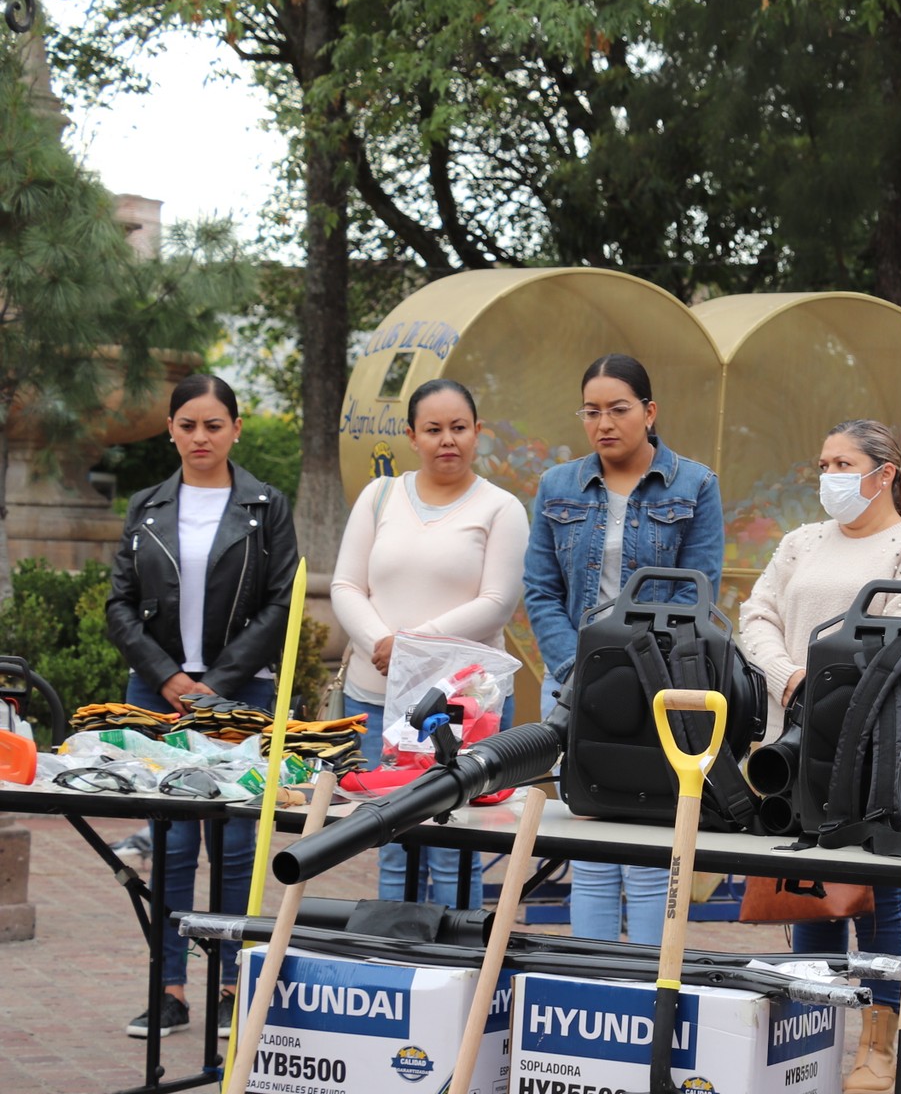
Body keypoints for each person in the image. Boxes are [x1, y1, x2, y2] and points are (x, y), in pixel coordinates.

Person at [738, 419, 901, 1094]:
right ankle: (810, 1035)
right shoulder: (801, 542)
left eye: (843, 462)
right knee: (810, 884)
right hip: (795, 734)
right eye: (824, 460)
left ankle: (879, 1041)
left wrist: (832, 686)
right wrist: (788, 675)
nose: (829, 474)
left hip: (878, 740)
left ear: (883, 473)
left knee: (882, 887)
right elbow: (757, 614)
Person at [105, 372, 298, 1036]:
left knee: (236, 838)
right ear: (171, 430)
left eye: (214, 424)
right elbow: (119, 605)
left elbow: (282, 602)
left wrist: (218, 680)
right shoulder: (146, 506)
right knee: (172, 836)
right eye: (187, 424)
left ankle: (229, 982)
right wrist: (164, 675)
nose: (200, 437)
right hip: (157, 692)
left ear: (236, 428)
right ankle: (170, 987)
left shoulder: (266, 505)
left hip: (238, 689)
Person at [525, 352, 725, 944]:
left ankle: (642, 991)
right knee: (586, 851)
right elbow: (540, 590)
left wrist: (643, 673)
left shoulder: (695, 484)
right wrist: (576, 666)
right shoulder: (556, 486)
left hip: (659, 686)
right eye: (591, 412)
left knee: (646, 852)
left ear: (649, 411)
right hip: (571, 682)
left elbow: (697, 592)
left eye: (618, 409)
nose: (604, 423)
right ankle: (592, 982)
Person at [330, 377, 530, 903]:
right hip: (376, 699)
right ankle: (393, 962)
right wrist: (383, 644)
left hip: (467, 707)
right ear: (412, 436)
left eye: (459, 428)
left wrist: (413, 645)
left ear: (477, 433)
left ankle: (457, 971)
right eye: (434, 429)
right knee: (390, 838)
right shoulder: (379, 496)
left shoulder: (501, 508)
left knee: (455, 844)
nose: (448, 440)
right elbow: (346, 585)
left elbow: (497, 603)